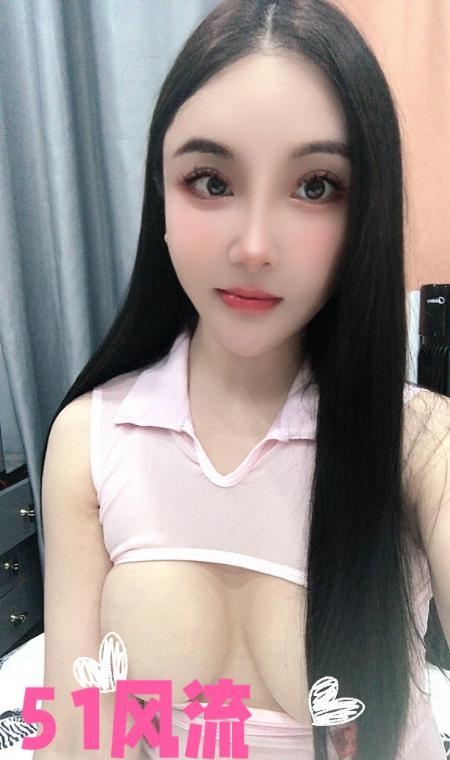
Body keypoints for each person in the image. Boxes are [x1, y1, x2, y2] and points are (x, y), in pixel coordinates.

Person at [34, 0, 450, 758]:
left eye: (316, 186)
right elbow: (74, 735)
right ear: (160, 194)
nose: (254, 246)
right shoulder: (90, 438)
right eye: (210, 181)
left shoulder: (421, 443)